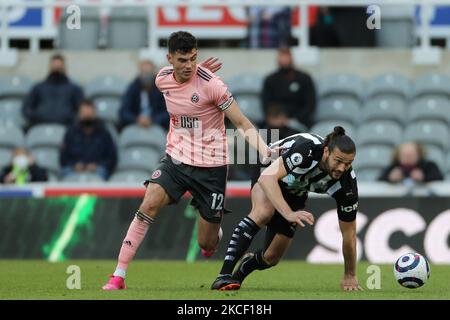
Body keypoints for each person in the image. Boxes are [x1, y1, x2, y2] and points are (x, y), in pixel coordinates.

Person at [102, 31, 275, 291]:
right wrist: (193, 73)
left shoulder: (213, 86)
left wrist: (265, 149)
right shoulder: (161, 79)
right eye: (182, 60)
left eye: (194, 59)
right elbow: (182, 85)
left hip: (212, 166)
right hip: (176, 159)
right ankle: (118, 275)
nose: (189, 65)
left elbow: (240, 122)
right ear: (169, 58)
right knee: (148, 204)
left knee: (207, 244)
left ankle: (211, 229)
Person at [211, 126, 362, 291]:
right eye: (338, 161)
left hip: (295, 190)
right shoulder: (307, 150)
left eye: (348, 164)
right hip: (269, 168)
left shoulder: (347, 186)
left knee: (271, 257)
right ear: (326, 152)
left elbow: (349, 234)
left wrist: (350, 275)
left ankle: (240, 273)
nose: (342, 168)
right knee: (263, 212)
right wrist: (288, 213)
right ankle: (224, 276)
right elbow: (268, 178)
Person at [60, 99, 117, 180]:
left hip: (97, 170)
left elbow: (111, 158)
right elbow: (63, 158)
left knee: (102, 172)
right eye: (84, 115)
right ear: (79, 115)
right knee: (65, 172)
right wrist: (74, 165)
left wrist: (96, 166)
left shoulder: (104, 133)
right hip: (74, 170)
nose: (87, 118)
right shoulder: (71, 133)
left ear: (95, 114)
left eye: (89, 115)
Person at [22, 54, 84, 127]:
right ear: (49, 67)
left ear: (64, 67)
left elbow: (82, 110)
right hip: (40, 126)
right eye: (55, 67)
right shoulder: (38, 88)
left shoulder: (75, 89)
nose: (57, 68)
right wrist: (38, 117)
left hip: (67, 127)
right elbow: (26, 109)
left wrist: (69, 117)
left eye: (59, 67)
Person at [261, 48, 317, 129]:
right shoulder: (270, 80)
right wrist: (275, 118)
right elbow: (266, 103)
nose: (284, 61)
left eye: (286, 58)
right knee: (265, 135)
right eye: (282, 58)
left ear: (292, 59)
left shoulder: (304, 79)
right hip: (274, 122)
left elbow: (310, 105)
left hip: (299, 122)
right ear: (278, 60)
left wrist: (292, 120)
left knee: (294, 138)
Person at [119, 60, 170, 130]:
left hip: (157, 126)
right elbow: (124, 112)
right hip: (135, 125)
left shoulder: (161, 89)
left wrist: (152, 120)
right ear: (139, 74)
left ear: (154, 74)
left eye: (148, 73)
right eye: (144, 73)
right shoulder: (132, 88)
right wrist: (137, 119)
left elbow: (168, 112)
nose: (146, 76)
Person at [378, 142, 443, 185]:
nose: (408, 158)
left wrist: (424, 178)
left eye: (411, 155)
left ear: (419, 155)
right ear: (398, 156)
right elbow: (379, 182)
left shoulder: (429, 166)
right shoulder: (393, 167)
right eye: (404, 155)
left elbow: (440, 180)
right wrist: (390, 179)